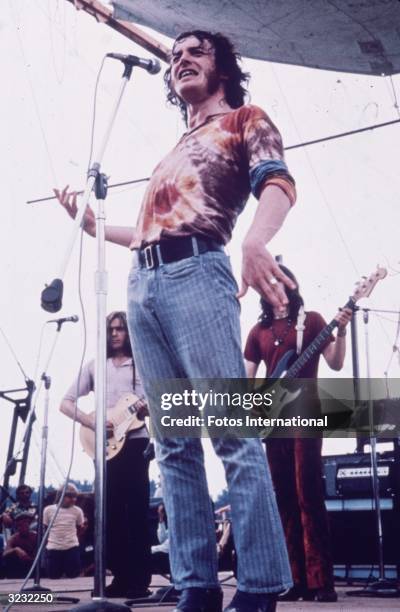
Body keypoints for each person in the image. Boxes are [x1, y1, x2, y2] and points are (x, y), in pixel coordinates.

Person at [55, 30, 298, 612]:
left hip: (197, 274)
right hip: (145, 282)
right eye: (174, 55)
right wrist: (95, 227)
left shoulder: (245, 119)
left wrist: (257, 242)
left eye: (196, 51)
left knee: (232, 433)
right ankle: (197, 586)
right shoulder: (176, 147)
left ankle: (260, 588)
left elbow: (279, 184)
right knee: (173, 445)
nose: (181, 58)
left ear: (223, 67)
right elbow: (145, 232)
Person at [244, 264, 352, 603]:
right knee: (283, 498)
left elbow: (335, 363)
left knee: (309, 493)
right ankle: (294, 579)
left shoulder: (314, 322)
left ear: (291, 285)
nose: (274, 288)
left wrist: (344, 331)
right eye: (268, 283)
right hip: (273, 420)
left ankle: (321, 582)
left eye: (279, 281)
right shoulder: (257, 331)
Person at [60, 311, 151, 598]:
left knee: (136, 511)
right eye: (110, 329)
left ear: (129, 332)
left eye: (120, 329)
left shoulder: (143, 364)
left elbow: (159, 402)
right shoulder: (95, 366)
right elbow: (66, 403)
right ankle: (120, 577)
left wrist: (151, 408)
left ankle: (140, 581)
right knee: (109, 512)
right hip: (106, 447)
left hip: (136, 443)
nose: (114, 334)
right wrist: (93, 422)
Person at [43, 484, 84, 579]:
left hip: (71, 547)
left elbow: (80, 528)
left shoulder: (78, 511)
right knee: (53, 576)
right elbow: (45, 529)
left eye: (75, 497)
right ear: (61, 496)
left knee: (73, 575)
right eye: (70, 497)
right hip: (53, 548)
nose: (73, 499)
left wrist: (73, 539)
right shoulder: (48, 510)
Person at [2, 513, 37, 578]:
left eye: (23, 525)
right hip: (19, 566)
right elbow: (5, 553)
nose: (20, 528)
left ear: (28, 525)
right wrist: (16, 549)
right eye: (18, 526)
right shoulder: (14, 538)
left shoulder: (35, 536)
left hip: (33, 565)